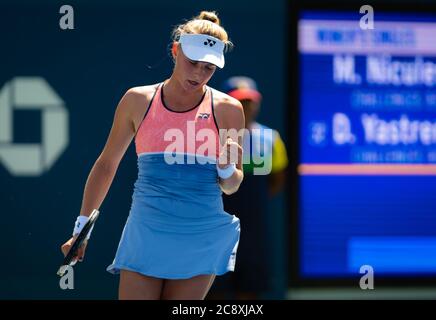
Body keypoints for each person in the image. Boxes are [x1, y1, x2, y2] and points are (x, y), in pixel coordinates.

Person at [60, 11, 245, 300]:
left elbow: (233, 185)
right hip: (146, 230)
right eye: (192, 62)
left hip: (201, 234)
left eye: (208, 68)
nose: (198, 74)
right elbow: (107, 164)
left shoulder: (230, 109)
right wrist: (81, 228)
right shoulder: (136, 100)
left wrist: (225, 169)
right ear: (175, 51)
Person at [209, 76, 288, 300]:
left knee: (249, 289)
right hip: (215, 228)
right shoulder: (210, 137)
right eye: (240, 102)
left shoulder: (270, 138)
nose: (247, 107)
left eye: (250, 102)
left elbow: (277, 179)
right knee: (213, 288)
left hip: (254, 231)